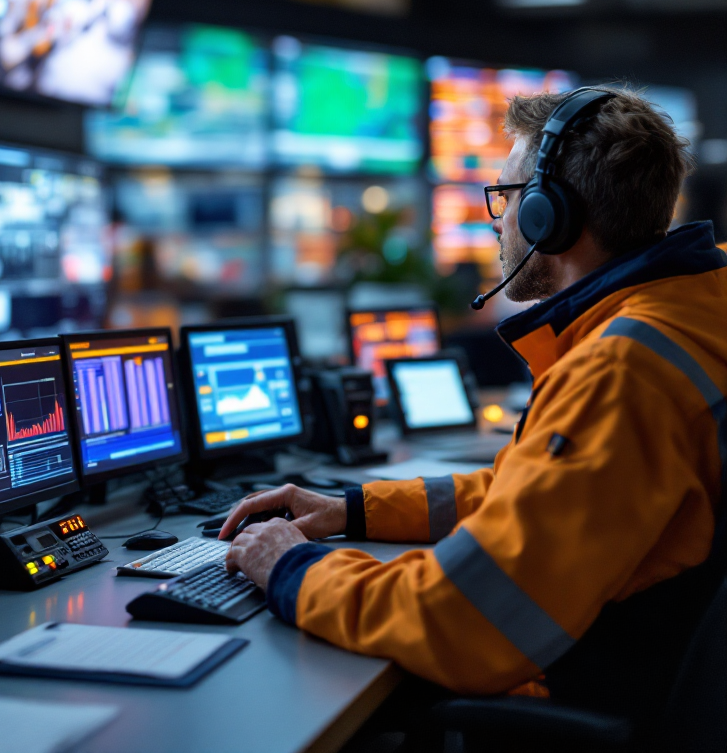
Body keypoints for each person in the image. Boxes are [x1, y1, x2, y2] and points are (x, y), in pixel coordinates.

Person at [220, 88, 726, 734]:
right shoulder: (695, 307)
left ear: (551, 217)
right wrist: (353, 509)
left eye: (507, 197)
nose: (496, 220)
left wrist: (291, 567)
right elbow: (538, 495)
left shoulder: (621, 370)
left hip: (587, 696)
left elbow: (462, 620)